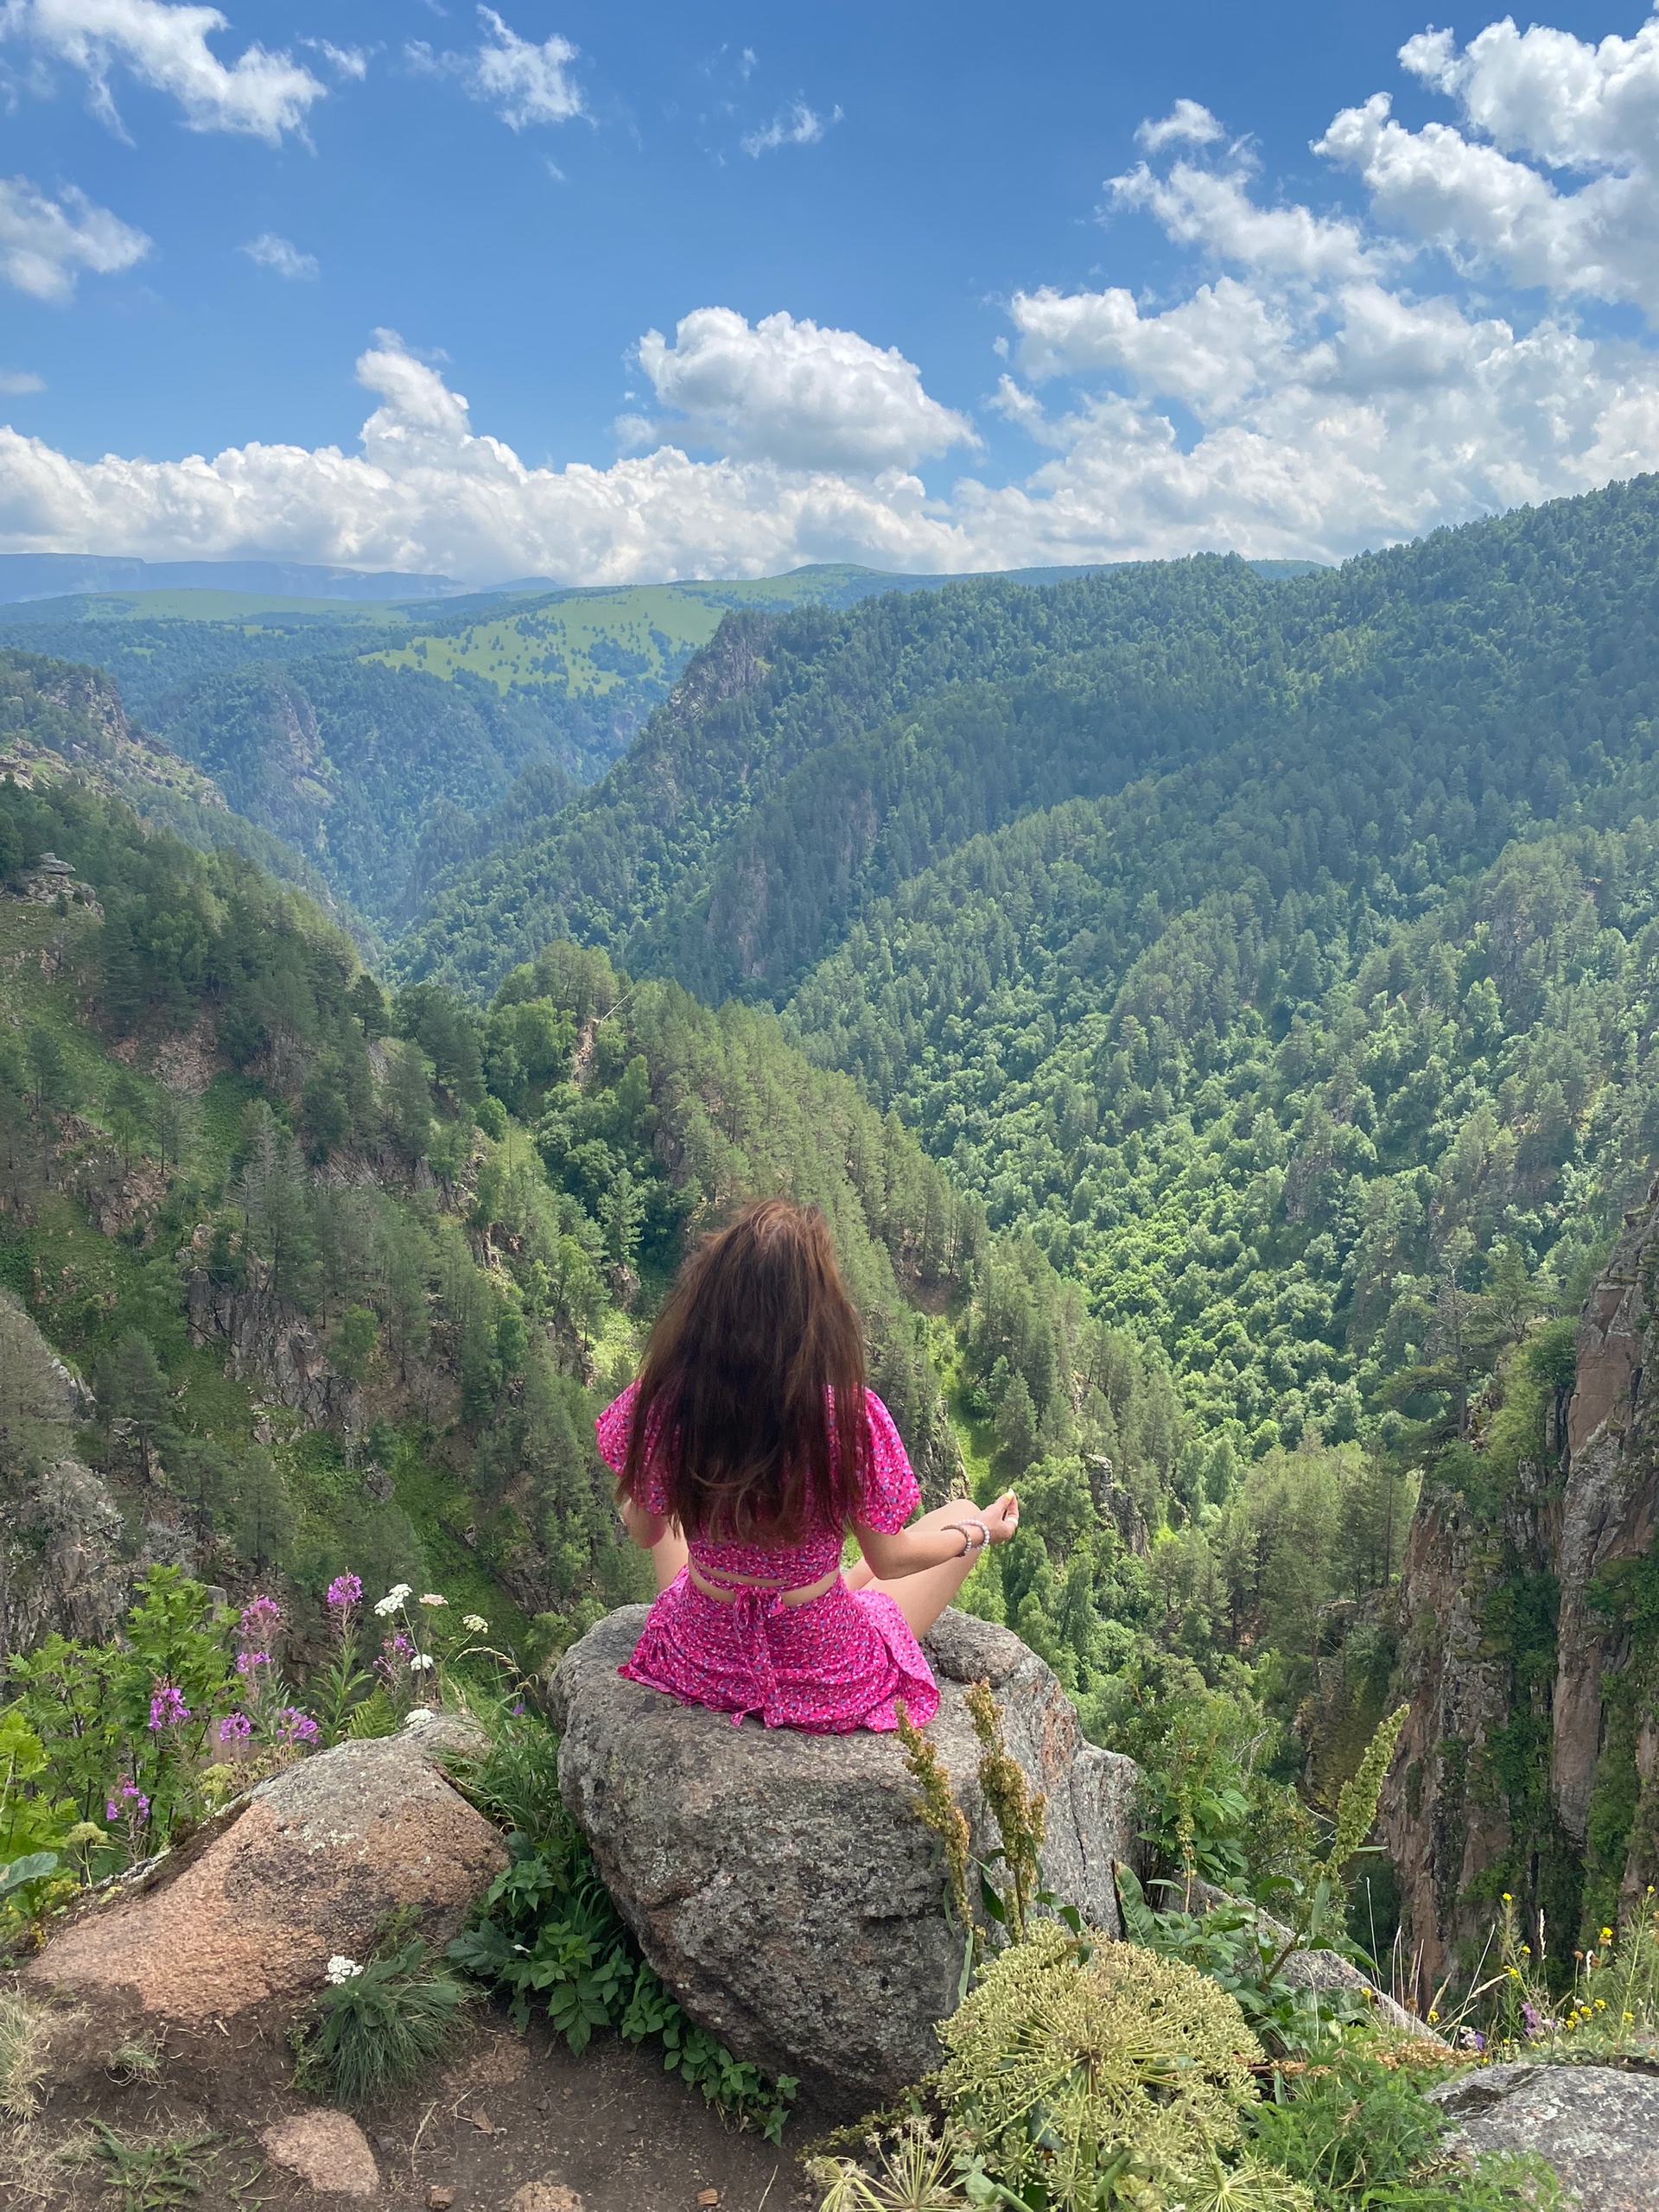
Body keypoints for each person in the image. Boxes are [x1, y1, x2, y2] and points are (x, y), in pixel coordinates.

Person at [601, 1196, 1020, 1732]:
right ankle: (814, 1580)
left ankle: (790, 1583)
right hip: (817, 1666)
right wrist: (978, 1534)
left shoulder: (669, 1401)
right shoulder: (846, 1419)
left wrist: (658, 1457)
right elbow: (890, 1560)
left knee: (680, 1523)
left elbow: (644, 1531)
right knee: (959, 1510)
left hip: (699, 1653)